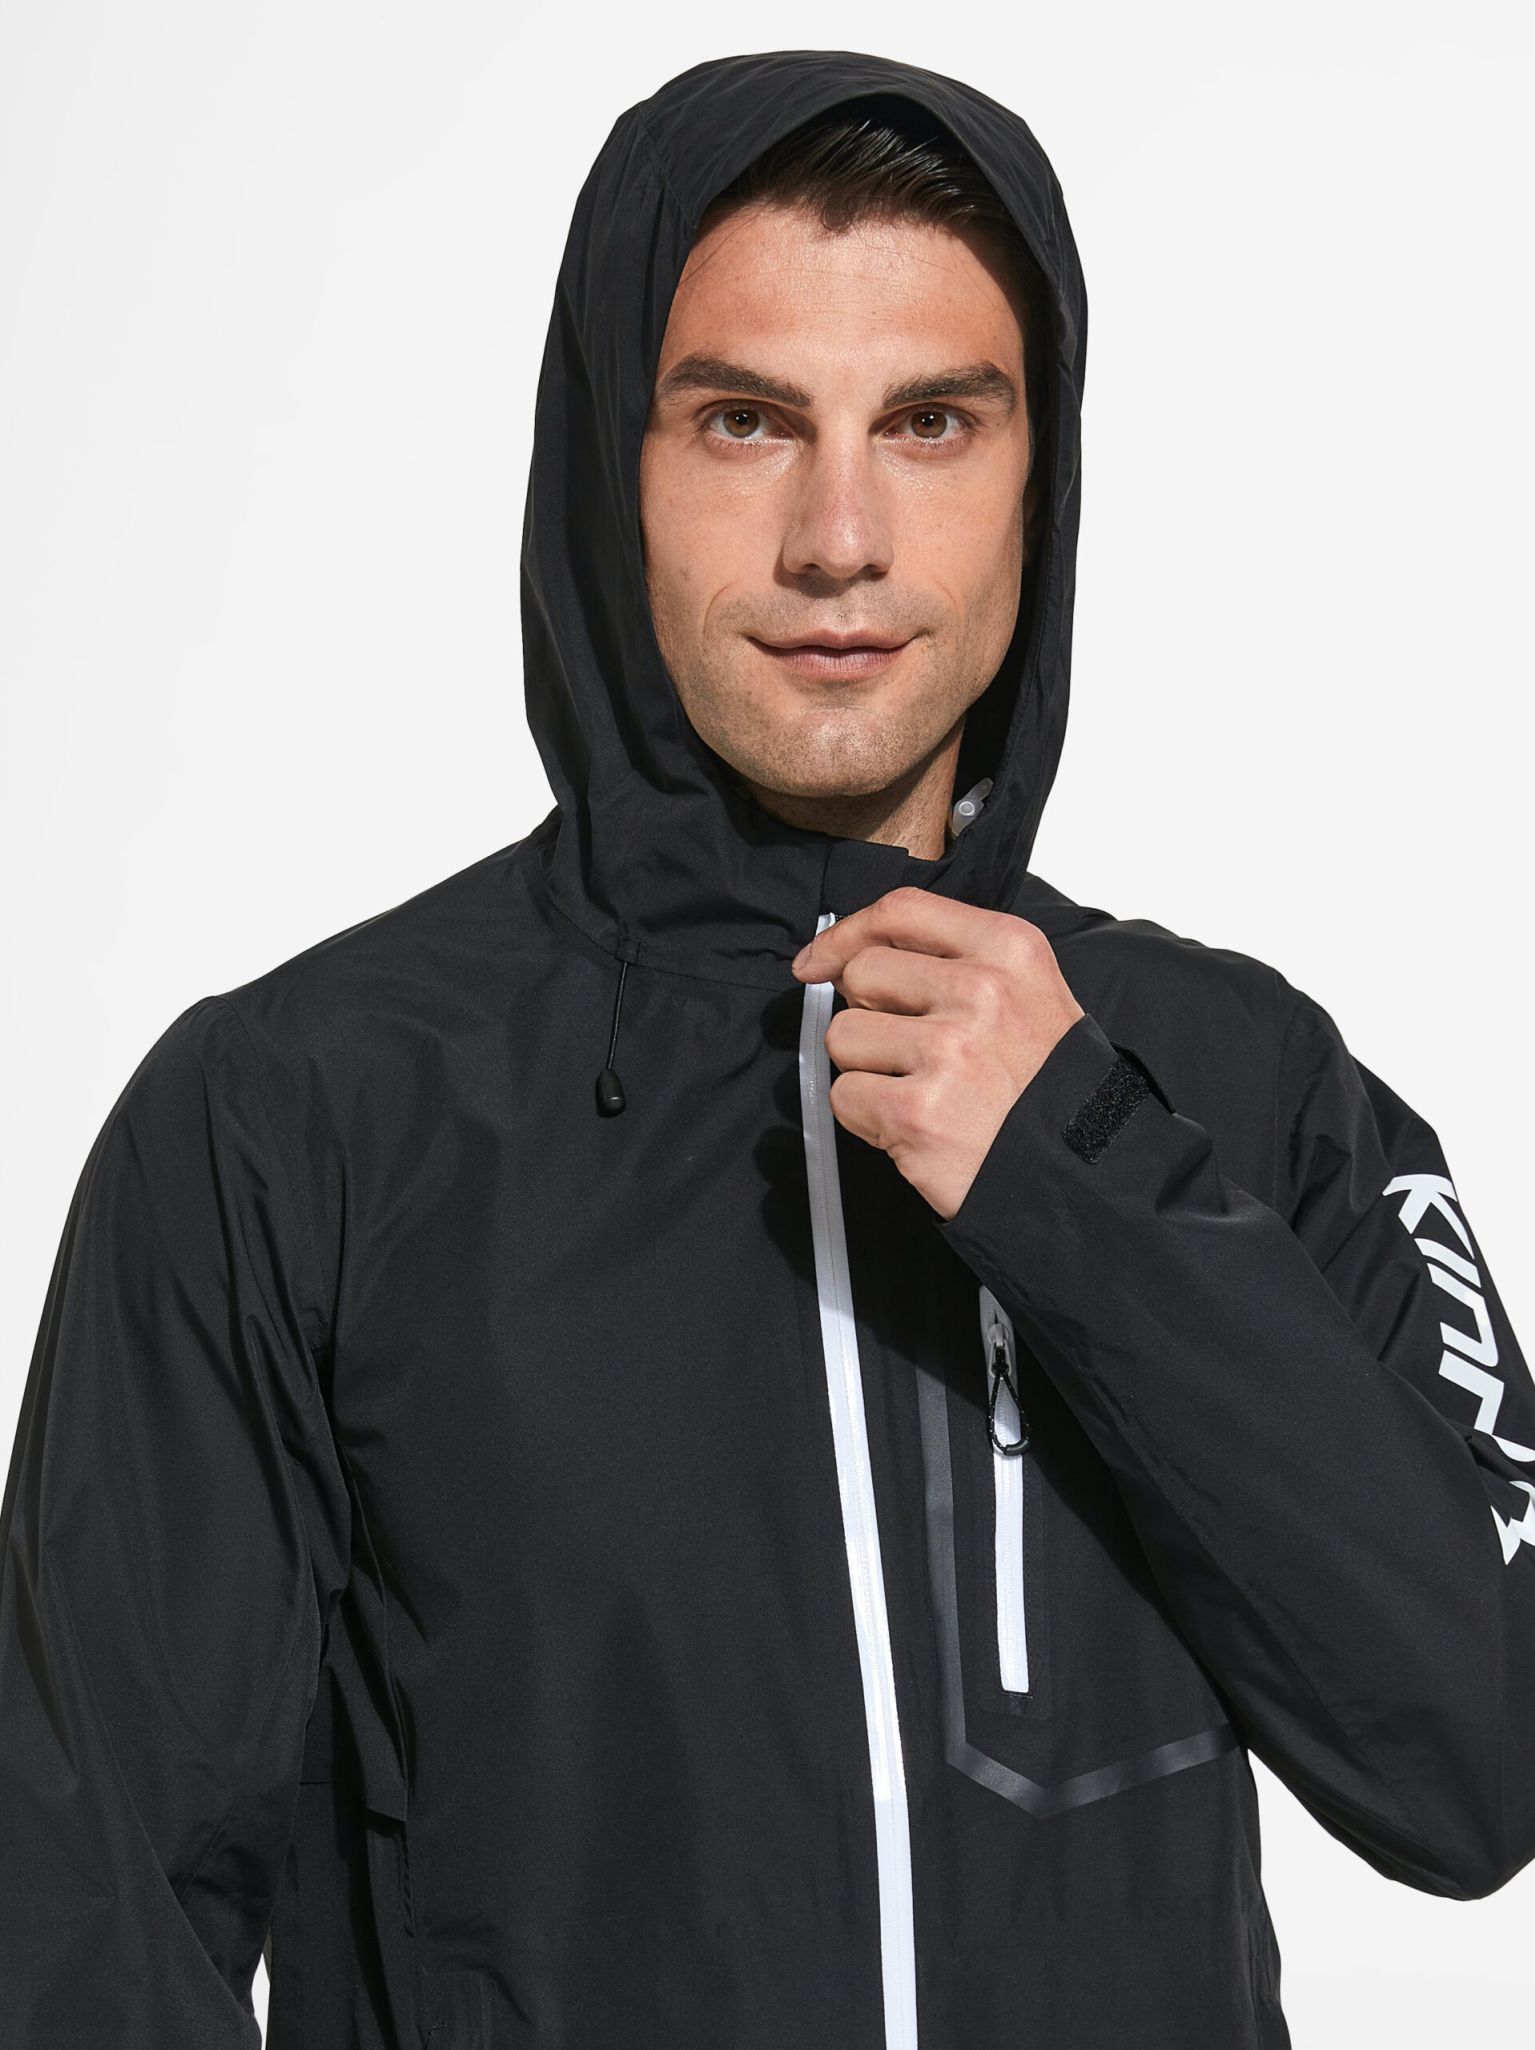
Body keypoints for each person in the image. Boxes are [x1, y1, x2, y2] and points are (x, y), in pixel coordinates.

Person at [1, 46, 1531, 2050]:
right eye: (745, 421)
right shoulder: (296, 1119)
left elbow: (1479, 1760)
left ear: (1038, 473)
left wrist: (1085, 1174)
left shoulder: (1243, 1083)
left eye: (931, 422)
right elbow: (89, 1927)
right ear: (609, 462)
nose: (838, 535)